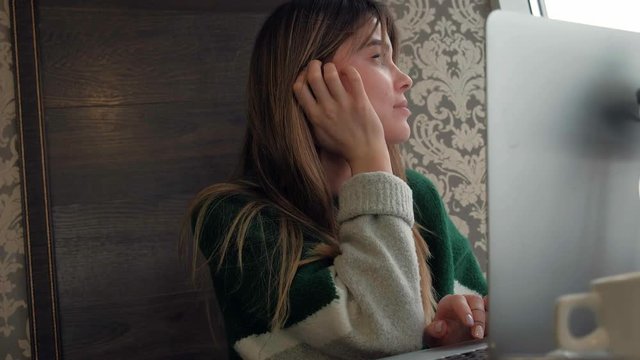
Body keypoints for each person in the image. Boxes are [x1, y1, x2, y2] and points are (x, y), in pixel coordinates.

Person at [183, 0, 488, 359]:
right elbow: (384, 333)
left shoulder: (417, 194)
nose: (406, 79)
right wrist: (370, 158)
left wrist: (447, 337)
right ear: (311, 82)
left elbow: (451, 325)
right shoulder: (234, 217)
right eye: (378, 57)